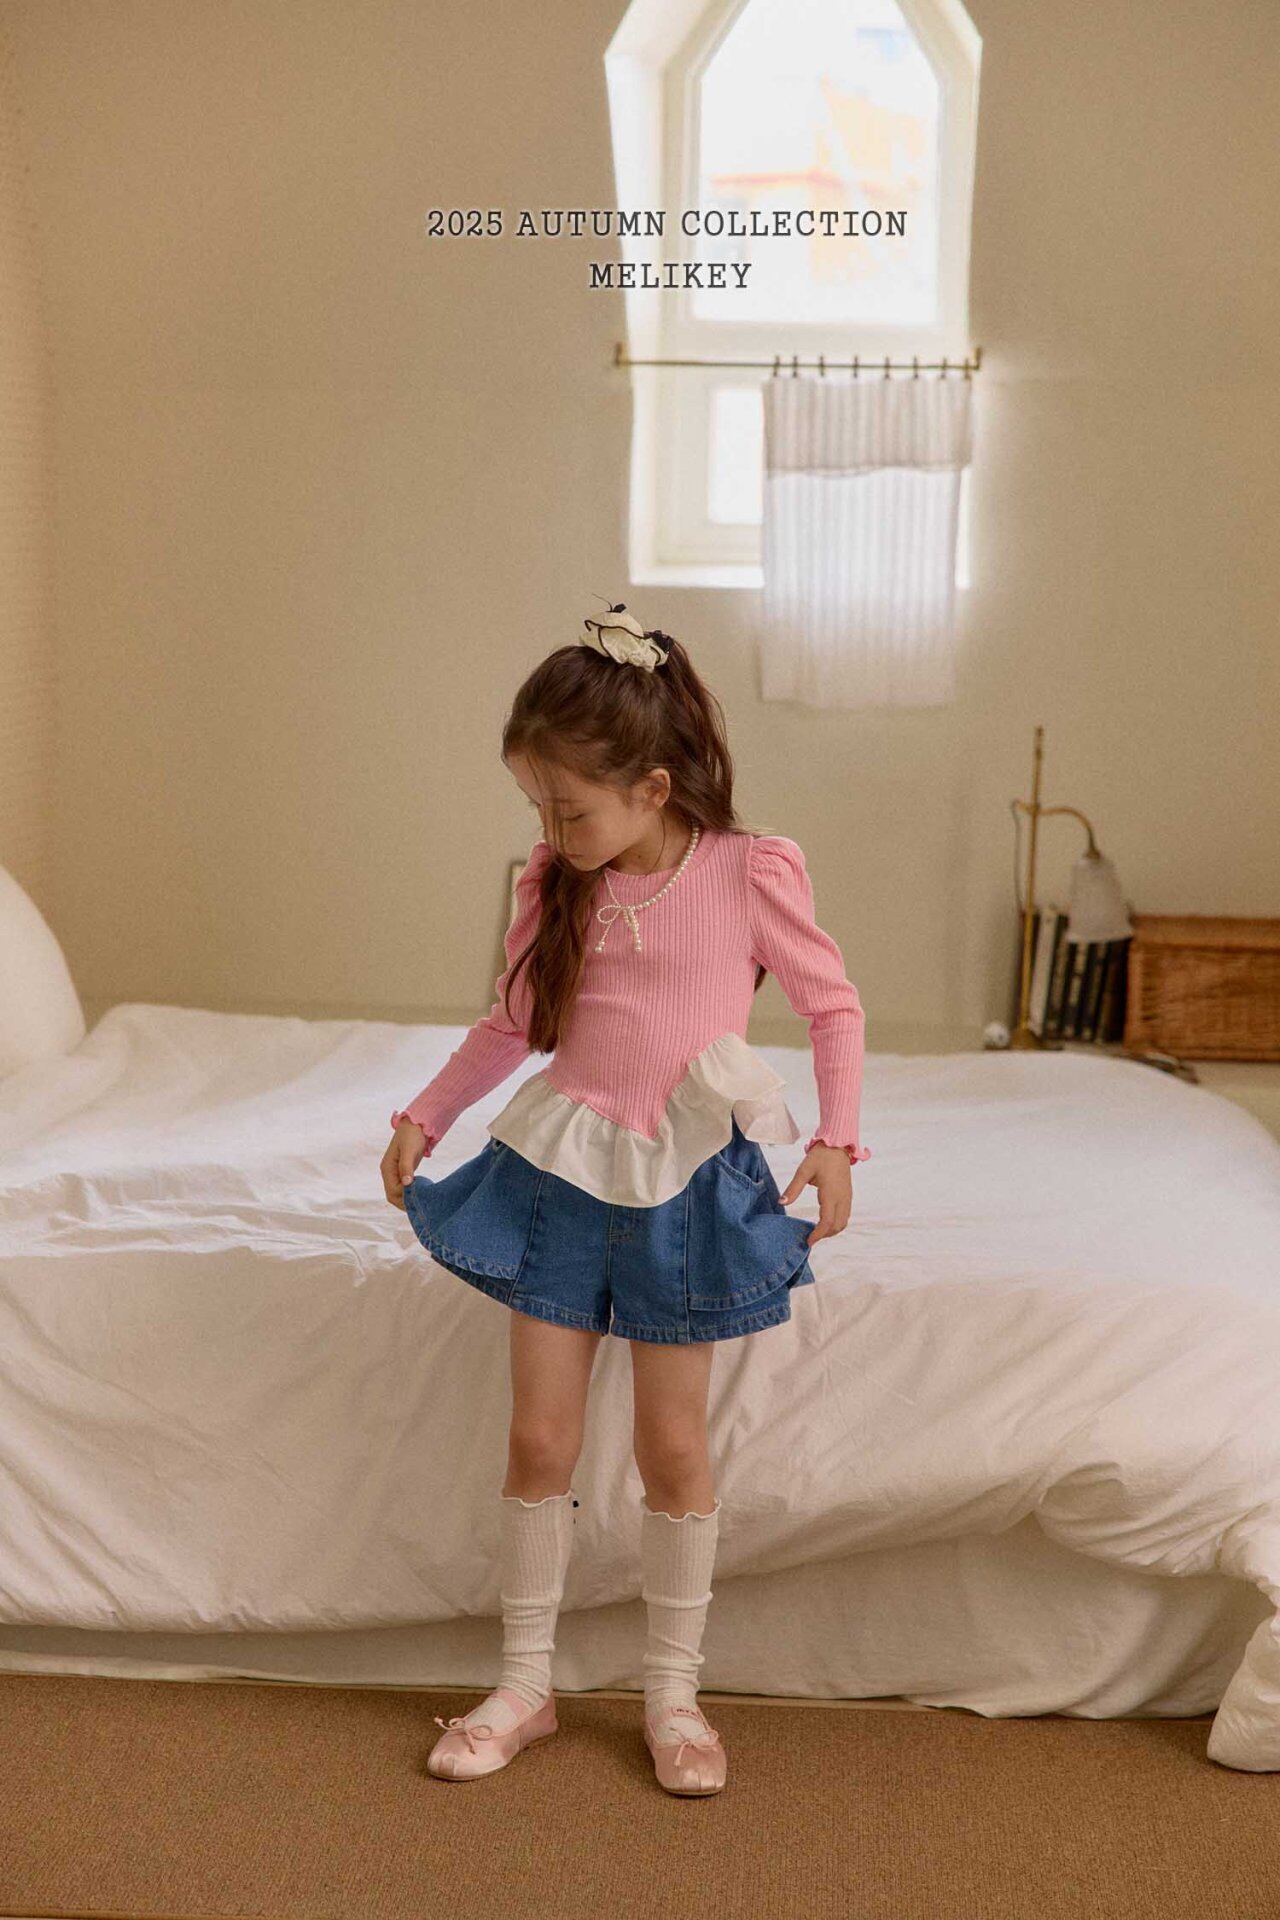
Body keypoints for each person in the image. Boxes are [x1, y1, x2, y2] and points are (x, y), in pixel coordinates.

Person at [381, 601, 871, 1797]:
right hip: (559, 1178)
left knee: (671, 1447)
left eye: (569, 809)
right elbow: (512, 1023)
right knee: (537, 1438)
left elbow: (832, 1007)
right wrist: (424, 1114)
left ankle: (671, 1695)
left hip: (684, 1189)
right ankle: (524, 1685)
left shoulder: (747, 870)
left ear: (652, 788)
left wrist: (835, 1141)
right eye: (537, 809)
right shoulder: (556, 880)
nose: (550, 831)